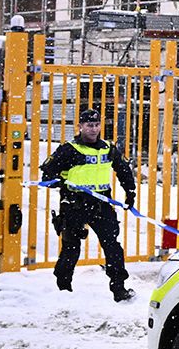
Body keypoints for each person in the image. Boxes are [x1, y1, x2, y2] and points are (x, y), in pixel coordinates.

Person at [39, 107, 137, 301]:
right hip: (75, 205)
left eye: (96, 125)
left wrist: (130, 191)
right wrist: (58, 181)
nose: (93, 129)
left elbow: (123, 170)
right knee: (71, 247)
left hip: (101, 204)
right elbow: (47, 173)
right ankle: (63, 288)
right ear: (80, 126)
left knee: (113, 247)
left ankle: (119, 288)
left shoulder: (108, 148)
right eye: (89, 125)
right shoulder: (69, 149)